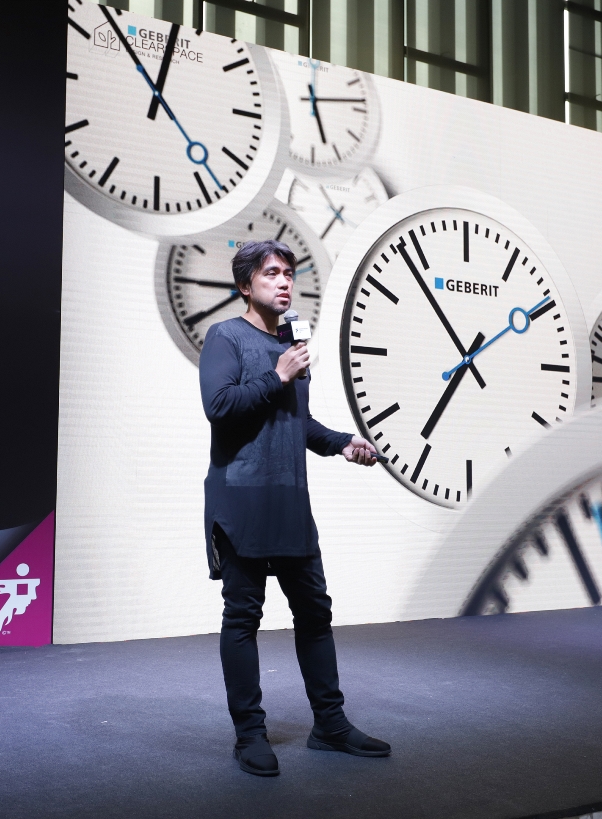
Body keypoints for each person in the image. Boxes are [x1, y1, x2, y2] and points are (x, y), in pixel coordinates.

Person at [199, 239, 391, 777]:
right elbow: (219, 406)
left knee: (315, 613)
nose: (284, 282)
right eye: (271, 274)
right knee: (243, 616)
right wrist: (278, 375)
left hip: (289, 501)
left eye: (289, 273)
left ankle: (330, 725)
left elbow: (294, 423)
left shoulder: (290, 343)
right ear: (245, 285)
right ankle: (249, 736)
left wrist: (343, 443)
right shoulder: (226, 337)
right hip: (241, 500)